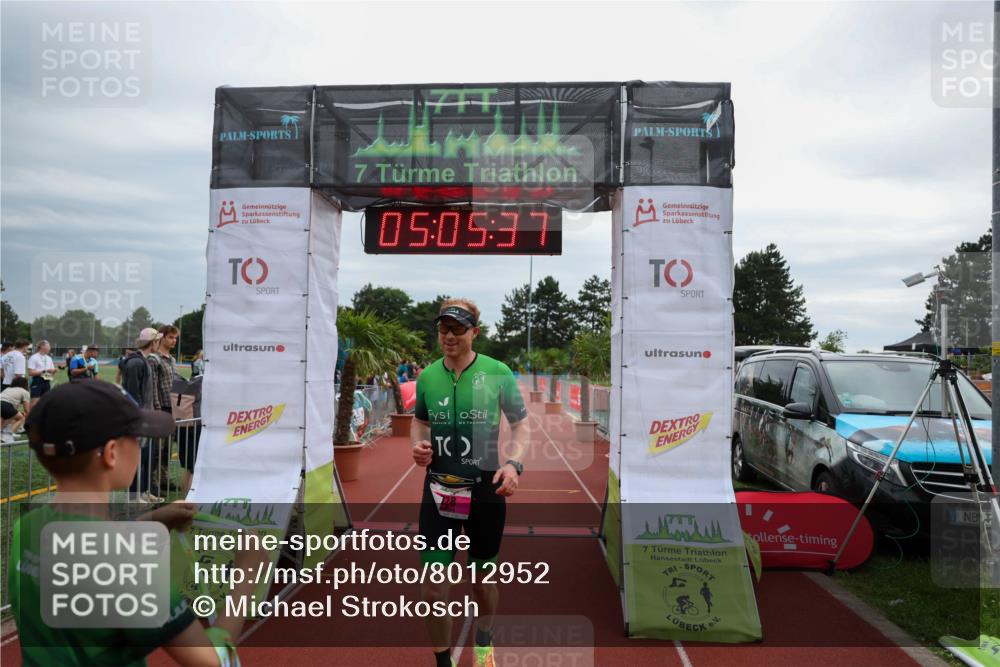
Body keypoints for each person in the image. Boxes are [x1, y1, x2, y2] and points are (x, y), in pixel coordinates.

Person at [8, 380, 263, 666]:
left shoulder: (28, 527)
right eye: (138, 439)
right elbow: (215, 662)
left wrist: (151, 520)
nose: (141, 449)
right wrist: (248, 569)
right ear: (111, 453)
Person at [411, 298, 530, 667]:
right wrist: (417, 445)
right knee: (433, 584)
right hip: (439, 489)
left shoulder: (497, 372)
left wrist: (513, 465)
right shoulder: (428, 376)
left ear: (474, 332)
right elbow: (420, 421)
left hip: (484, 490)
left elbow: (521, 424)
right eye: (443, 328)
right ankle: (443, 661)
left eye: (458, 329)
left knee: (481, 580)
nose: (449, 336)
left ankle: (483, 637)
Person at [121, 328, 162, 503]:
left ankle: (144, 491)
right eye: (157, 341)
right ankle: (134, 496)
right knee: (137, 459)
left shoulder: (144, 361)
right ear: (153, 342)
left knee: (146, 457)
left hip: (146, 418)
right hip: (138, 419)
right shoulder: (135, 363)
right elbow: (132, 394)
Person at [151, 326, 182, 496]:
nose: (174, 341)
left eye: (175, 338)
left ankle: (163, 478)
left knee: (167, 448)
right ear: (161, 338)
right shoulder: (155, 359)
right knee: (157, 448)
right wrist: (156, 408)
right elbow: (153, 386)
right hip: (160, 407)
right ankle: (153, 481)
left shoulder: (172, 359)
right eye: (171, 337)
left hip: (172, 408)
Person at [0, 377, 31, 443]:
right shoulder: (25, 392)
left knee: (5, 418)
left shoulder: (8, 389)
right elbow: (27, 410)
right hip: (5, 405)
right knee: (21, 418)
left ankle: (1, 434)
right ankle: (8, 436)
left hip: (2, 404)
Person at [26, 340, 56, 407]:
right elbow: (30, 372)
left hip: (47, 381)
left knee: (46, 402)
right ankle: (32, 417)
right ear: (42, 347)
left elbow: (51, 371)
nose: (50, 348)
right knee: (34, 403)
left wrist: (54, 371)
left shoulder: (49, 358)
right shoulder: (34, 357)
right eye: (48, 346)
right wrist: (44, 371)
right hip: (37, 381)